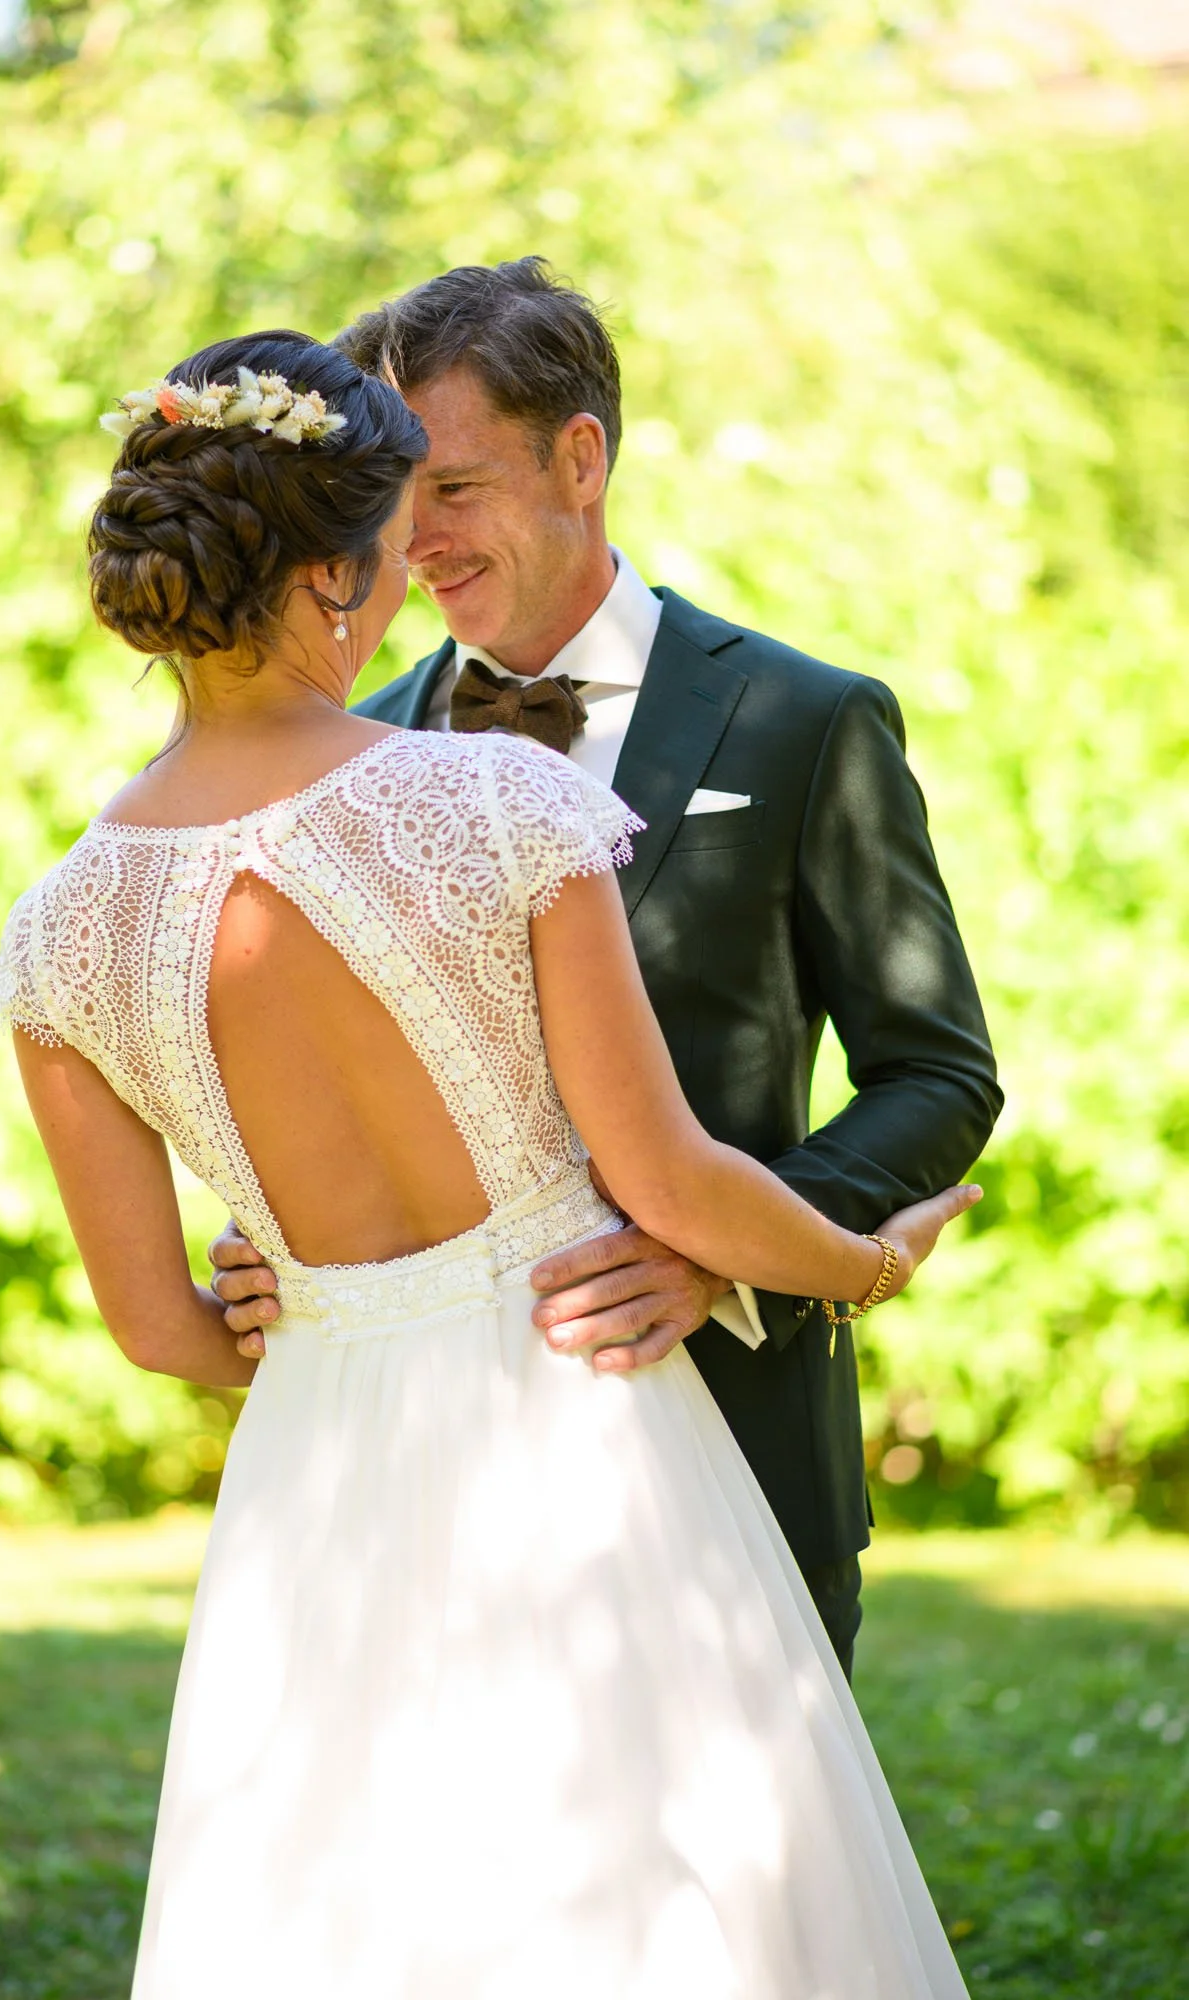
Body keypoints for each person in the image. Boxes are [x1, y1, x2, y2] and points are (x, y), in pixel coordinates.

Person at [0, 328, 979, 1997]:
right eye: (389, 535)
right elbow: (662, 1178)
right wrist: (874, 1263)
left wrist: (306, 1293)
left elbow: (162, 1330)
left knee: (355, 1910)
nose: (410, 572)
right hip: (580, 1438)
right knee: (657, 1907)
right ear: (327, 578)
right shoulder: (497, 802)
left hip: (319, 1475)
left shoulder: (54, 932)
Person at [209, 259, 1004, 1678]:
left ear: (581, 457)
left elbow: (936, 1070)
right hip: (417, 1466)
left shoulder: (801, 720)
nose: (415, 543)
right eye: (389, 502)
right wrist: (289, 1232)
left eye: (452, 489)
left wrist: (727, 1247)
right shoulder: (334, 755)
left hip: (731, 1440)